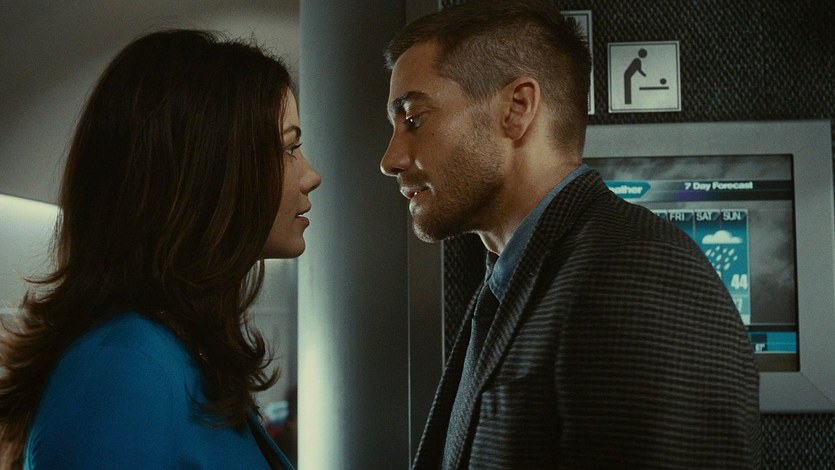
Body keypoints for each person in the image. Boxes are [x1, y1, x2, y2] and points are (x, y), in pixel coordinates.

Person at [380, 1, 761, 468]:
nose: (391, 159)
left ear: (517, 109)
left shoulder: (635, 275)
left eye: (414, 119)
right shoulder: (515, 279)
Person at [0, 29, 320, 469]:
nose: (311, 175)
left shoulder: (175, 349)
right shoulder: (125, 370)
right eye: (289, 148)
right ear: (206, 171)